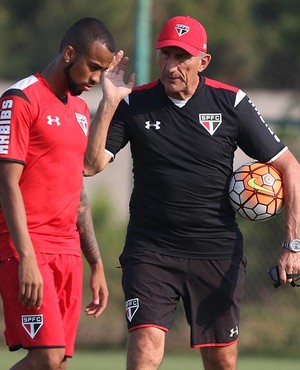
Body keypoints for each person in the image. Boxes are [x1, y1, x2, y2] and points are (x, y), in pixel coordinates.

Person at [84, 15, 300, 370]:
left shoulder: (230, 103)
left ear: (203, 61)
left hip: (215, 252)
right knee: (145, 352)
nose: (171, 66)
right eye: (165, 55)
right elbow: (91, 166)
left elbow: (290, 168)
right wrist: (108, 102)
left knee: (222, 364)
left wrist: (292, 246)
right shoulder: (133, 104)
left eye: (181, 57)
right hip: (151, 251)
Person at [0, 17, 134, 370]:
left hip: (67, 252)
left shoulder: (79, 110)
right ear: (69, 54)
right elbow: (6, 182)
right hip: (28, 247)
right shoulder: (20, 97)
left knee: (57, 364)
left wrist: (95, 263)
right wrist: (26, 256)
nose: (94, 79)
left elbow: (78, 187)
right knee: (46, 357)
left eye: (101, 71)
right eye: (92, 68)